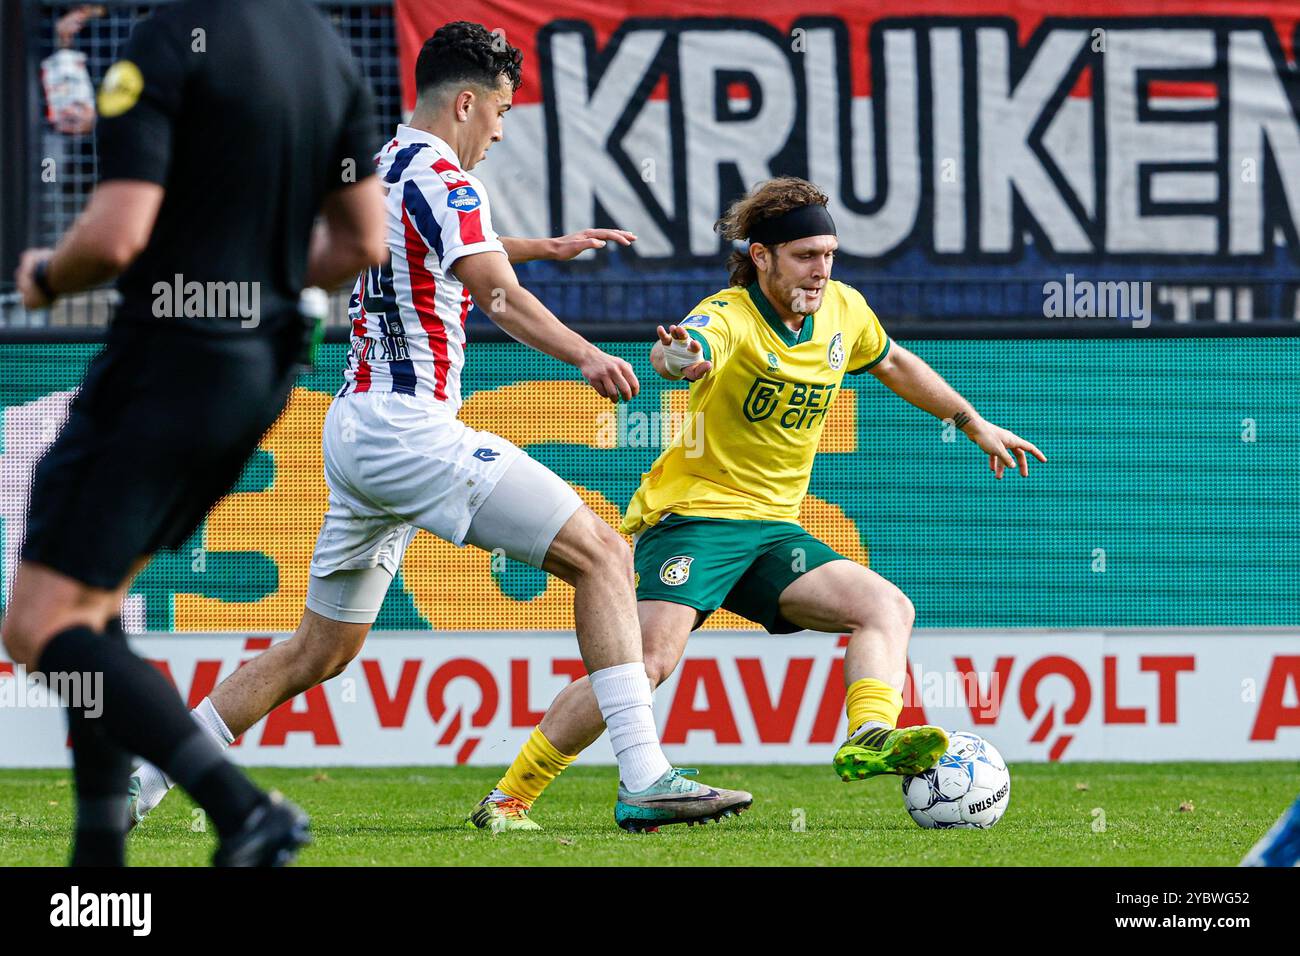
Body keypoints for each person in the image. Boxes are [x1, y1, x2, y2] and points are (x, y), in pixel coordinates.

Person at [125, 20, 751, 836]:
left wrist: (538, 246)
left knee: (320, 651)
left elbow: (434, 252)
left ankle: (142, 775)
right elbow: (493, 295)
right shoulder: (449, 178)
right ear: (466, 102)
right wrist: (586, 356)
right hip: (407, 426)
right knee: (604, 553)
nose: (498, 131)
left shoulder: (382, 166)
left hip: (357, 431)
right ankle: (644, 775)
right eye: (498, 114)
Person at [473, 176, 1048, 828]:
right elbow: (686, 349)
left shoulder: (845, 312)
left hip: (774, 533)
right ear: (762, 256)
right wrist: (677, 358)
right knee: (644, 667)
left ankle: (871, 734)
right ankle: (509, 796)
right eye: (806, 255)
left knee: (885, 607)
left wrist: (974, 423)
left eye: (829, 254)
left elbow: (894, 364)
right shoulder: (730, 316)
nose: (821, 270)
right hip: (696, 519)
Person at [2, 0, 387, 866]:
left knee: (37, 628)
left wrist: (41, 277)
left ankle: (243, 808)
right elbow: (364, 241)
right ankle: (98, 866)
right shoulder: (328, 53)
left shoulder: (169, 40)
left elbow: (114, 236)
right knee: (91, 609)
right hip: (263, 370)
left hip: (166, 363)